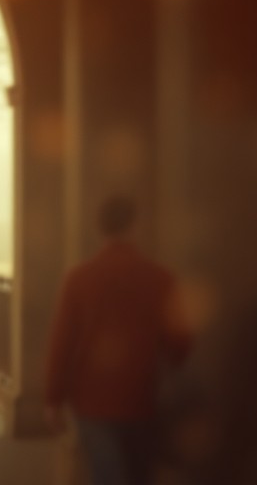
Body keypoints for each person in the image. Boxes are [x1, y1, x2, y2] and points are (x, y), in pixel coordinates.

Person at [45, 197, 189, 485]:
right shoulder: (161, 279)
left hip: (92, 401)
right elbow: (180, 344)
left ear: (101, 230)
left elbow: (62, 343)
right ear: (135, 227)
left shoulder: (79, 279)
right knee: (140, 476)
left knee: (106, 476)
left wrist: (53, 399)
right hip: (143, 397)